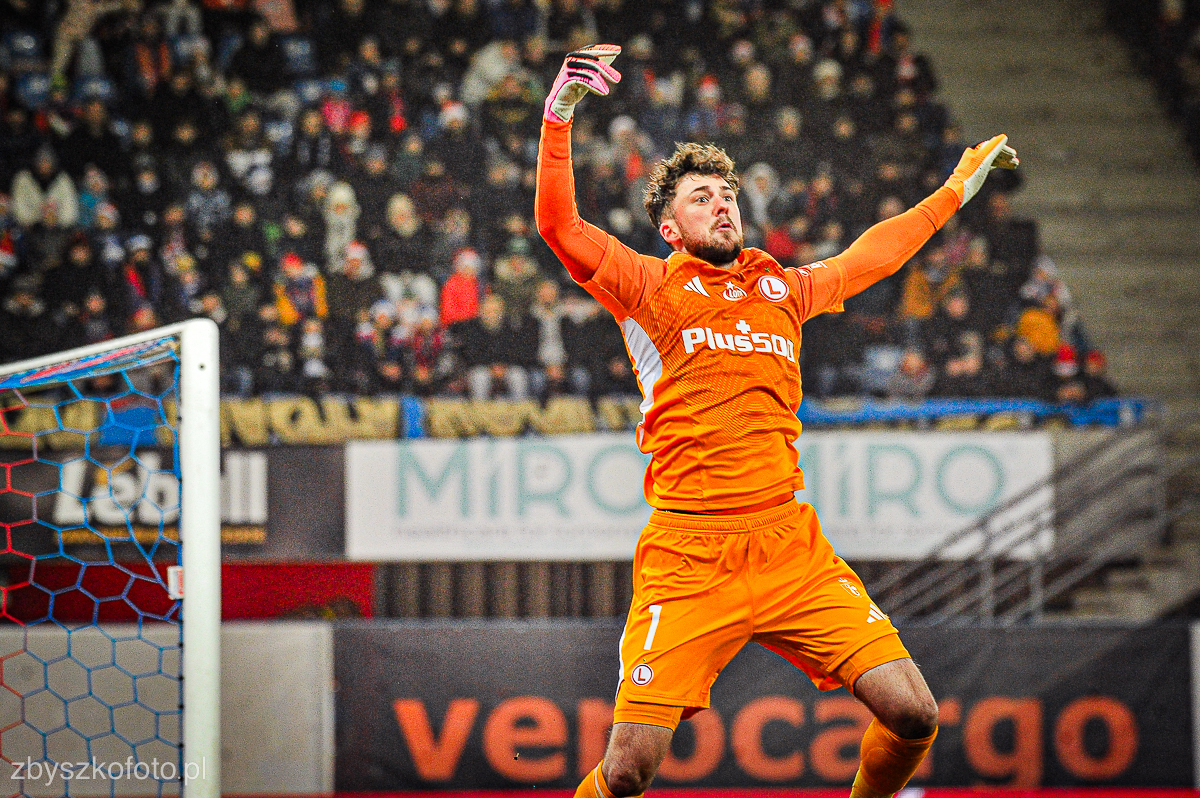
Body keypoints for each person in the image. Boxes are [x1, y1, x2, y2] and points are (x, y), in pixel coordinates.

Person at [534, 45, 1018, 798]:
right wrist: (560, 115)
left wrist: (954, 190)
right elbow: (559, 223)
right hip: (689, 555)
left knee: (914, 713)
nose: (722, 204)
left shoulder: (781, 290)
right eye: (701, 197)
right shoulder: (648, 288)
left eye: (727, 193)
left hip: (790, 546)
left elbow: (872, 257)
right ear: (669, 228)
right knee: (627, 772)